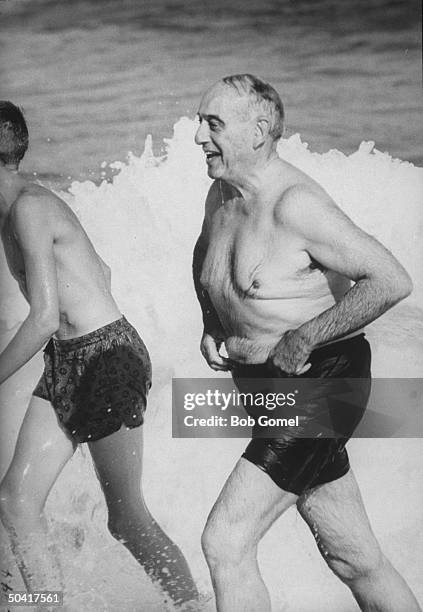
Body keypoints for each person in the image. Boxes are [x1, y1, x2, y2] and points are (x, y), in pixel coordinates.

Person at [193, 74, 421, 612]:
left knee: (226, 541)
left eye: (213, 124)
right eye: (202, 121)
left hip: (322, 383)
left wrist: (306, 334)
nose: (199, 136)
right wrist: (211, 318)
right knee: (353, 557)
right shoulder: (222, 193)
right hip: (267, 390)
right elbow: (204, 255)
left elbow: (391, 279)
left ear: (260, 130)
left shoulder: (297, 205)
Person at [0, 101, 198, 609]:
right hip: (70, 359)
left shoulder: (28, 208)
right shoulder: (18, 209)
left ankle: (194, 606)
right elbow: (101, 272)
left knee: (127, 518)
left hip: (107, 358)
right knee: (15, 501)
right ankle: (46, 606)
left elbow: (43, 316)